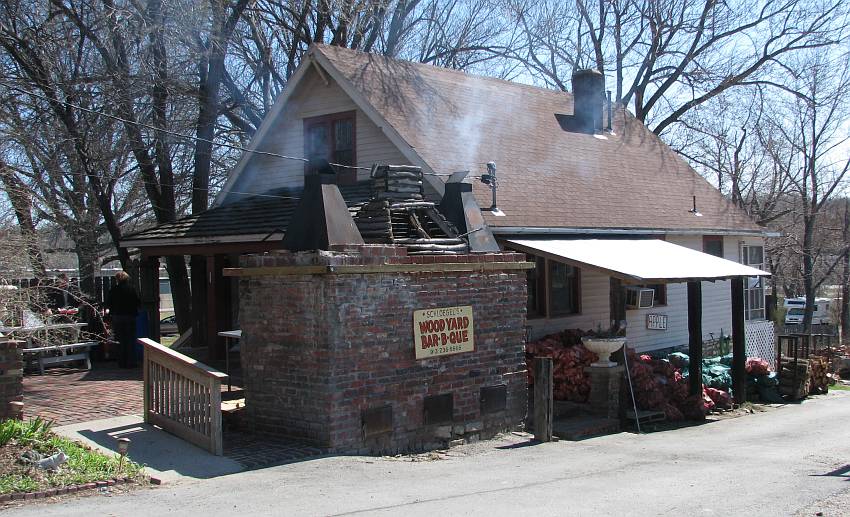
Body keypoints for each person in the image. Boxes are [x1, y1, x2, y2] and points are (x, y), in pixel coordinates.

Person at [106, 271, 140, 368]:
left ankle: (121, 361)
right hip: (130, 316)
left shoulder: (114, 290)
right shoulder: (131, 289)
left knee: (120, 339)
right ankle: (131, 361)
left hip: (117, 316)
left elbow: (109, 303)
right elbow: (137, 302)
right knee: (130, 339)